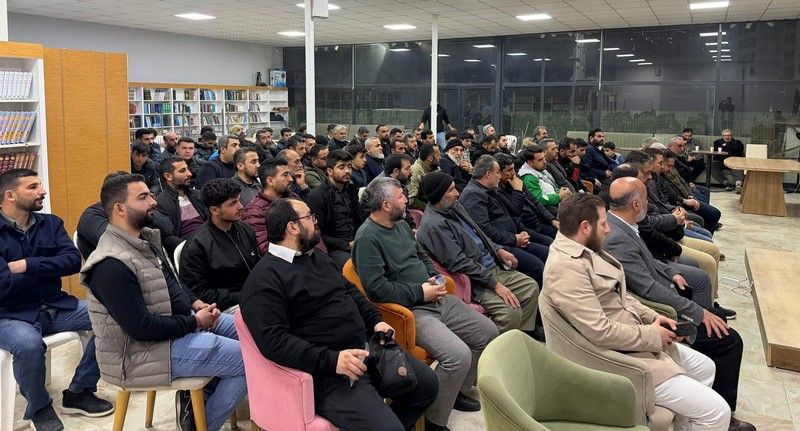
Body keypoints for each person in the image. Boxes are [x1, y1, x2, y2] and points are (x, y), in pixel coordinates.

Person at [541, 192, 736, 431]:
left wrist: (652, 316)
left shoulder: (586, 247)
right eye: (603, 224)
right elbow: (599, 331)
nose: (608, 230)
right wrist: (652, 335)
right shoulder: (566, 268)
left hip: (632, 337)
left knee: (706, 367)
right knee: (717, 412)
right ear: (585, 227)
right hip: (617, 357)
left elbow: (622, 298)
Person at [239, 198, 438, 431]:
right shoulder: (264, 280)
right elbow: (274, 342)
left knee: (427, 385)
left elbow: (350, 292)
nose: (316, 222)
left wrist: (375, 321)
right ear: (292, 227)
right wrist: (333, 361)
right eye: (309, 217)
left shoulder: (316, 257)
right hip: (329, 373)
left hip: (367, 349)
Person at [81, 173, 246, 431]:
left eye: (150, 194)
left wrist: (196, 304)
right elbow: (141, 328)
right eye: (143, 197)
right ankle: (202, 425)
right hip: (142, 354)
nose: (153, 202)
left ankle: (199, 402)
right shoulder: (110, 263)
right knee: (248, 360)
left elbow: (173, 284)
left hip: (174, 327)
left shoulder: (145, 239)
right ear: (120, 209)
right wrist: (195, 323)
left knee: (249, 330)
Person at [602, 178, 753, 431]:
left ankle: (714, 407)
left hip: (664, 293)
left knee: (714, 317)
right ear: (636, 204)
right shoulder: (616, 236)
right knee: (729, 340)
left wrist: (671, 272)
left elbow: (648, 260)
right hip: (659, 309)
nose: (648, 204)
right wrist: (697, 312)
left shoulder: (623, 224)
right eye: (646, 199)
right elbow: (646, 288)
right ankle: (724, 417)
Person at [353, 178, 497, 430]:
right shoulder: (367, 237)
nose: (406, 200)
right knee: (458, 355)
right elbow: (377, 289)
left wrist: (435, 278)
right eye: (401, 196)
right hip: (412, 310)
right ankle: (433, 421)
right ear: (386, 205)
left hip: (435, 297)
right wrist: (420, 292)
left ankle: (455, 390)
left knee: (488, 333)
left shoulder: (401, 225)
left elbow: (421, 255)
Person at [0, 169, 114, 431]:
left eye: (40, 185)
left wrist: (28, 265)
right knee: (29, 345)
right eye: (32, 187)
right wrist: (49, 267)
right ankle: (40, 409)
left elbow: (73, 261)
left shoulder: (51, 223)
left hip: (55, 306)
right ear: (10, 195)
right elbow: (2, 282)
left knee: (113, 315)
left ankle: (79, 391)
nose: (42, 191)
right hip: (10, 314)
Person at [416, 172, 539, 334]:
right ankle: (498, 346)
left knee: (531, 288)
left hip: (491, 266)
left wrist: (498, 249)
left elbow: (478, 231)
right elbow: (460, 263)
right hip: (475, 281)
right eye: (451, 190)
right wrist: (495, 285)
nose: (457, 193)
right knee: (511, 313)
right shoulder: (433, 226)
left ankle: (521, 335)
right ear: (440, 195)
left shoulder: (454, 206)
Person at [460, 155, 549, 287]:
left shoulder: (491, 189)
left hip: (513, 237)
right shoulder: (473, 195)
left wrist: (520, 233)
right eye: (497, 173)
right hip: (500, 246)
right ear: (488, 174)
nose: (499, 176)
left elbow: (513, 212)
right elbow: (484, 230)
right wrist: (514, 239)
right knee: (536, 266)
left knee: (547, 252)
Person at [179, 178, 260, 313]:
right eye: (233, 203)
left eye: (239, 200)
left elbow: (258, 265)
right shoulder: (197, 246)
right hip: (227, 307)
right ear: (214, 210)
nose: (240, 206)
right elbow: (199, 293)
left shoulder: (245, 229)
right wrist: (243, 296)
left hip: (256, 295)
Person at [77, 172, 182, 260]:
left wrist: (143, 213)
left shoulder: (142, 207)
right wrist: (139, 216)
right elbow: (115, 240)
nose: (153, 202)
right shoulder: (91, 215)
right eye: (141, 197)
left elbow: (167, 228)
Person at [306, 149, 365, 269]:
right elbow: (318, 234)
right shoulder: (317, 196)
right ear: (329, 171)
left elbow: (359, 219)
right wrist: (347, 245)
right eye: (341, 167)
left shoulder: (350, 189)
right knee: (357, 266)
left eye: (349, 166)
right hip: (334, 247)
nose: (347, 171)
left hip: (357, 240)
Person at [494, 153, 559, 239]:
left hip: (537, 221)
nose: (513, 173)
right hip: (525, 228)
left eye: (513, 169)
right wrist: (517, 191)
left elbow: (534, 201)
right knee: (550, 241)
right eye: (509, 170)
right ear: (499, 172)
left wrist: (552, 219)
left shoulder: (516, 178)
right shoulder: (497, 190)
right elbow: (515, 213)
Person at [156, 156, 209, 240]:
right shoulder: (161, 202)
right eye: (182, 171)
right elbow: (168, 238)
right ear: (168, 176)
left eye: (187, 169)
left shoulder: (198, 195)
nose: (189, 174)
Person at [518, 146, 570, 215]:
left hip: (554, 203)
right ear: (530, 162)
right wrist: (559, 196)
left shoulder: (539, 169)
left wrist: (563, 191)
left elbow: (551, 187)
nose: (545, 161)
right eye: (540, 160)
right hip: (545, 211)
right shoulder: (528, 177)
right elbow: (539, 199)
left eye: (544, 157)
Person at [407, 144, 441, 210]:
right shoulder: (415, 171)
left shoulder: (435, 167)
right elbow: (411, 200)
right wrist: (432, 209)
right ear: (430, 158)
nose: (440, 158)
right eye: (438, 155)